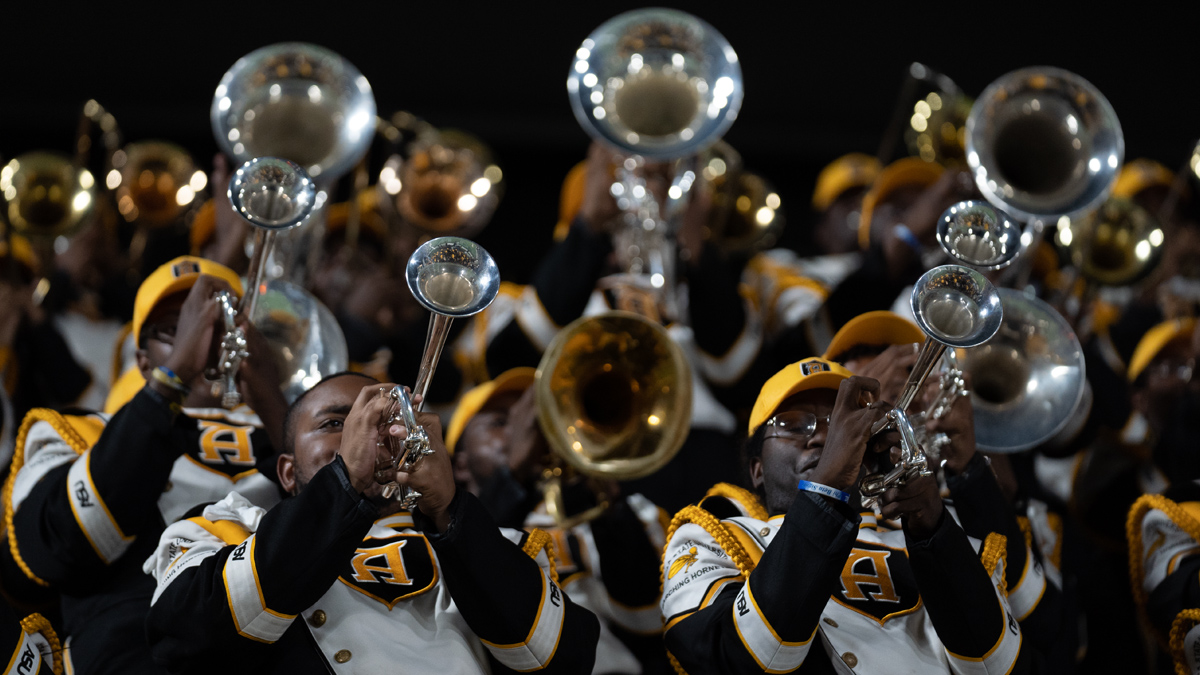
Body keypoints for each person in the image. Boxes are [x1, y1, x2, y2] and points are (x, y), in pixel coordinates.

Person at [144, 371, 600, 673]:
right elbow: (184, 635)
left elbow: (563, 659)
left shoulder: (496, 543)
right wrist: (345, 483)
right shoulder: (222, 529)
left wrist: (448, 509)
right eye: (333, 424)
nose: (366, 436)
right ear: (287, 472)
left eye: (385, 422)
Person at [1, 256, 287, 674]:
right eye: (177, 330)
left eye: (223, 328)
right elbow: (57, 549)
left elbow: (346, 515)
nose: (206, 341)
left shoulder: (293, 435)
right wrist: (172, 382)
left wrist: (272, 398)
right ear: (143, 360)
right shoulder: (79, 431)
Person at [660, 357, 1025, 673]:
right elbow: (724, 658)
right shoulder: (714, 536)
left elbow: (999, 666)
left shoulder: (937, 531)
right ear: (757, 470)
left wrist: (935, 535)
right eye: (791, 424)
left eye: (838, 424)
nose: (821, 437)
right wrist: (826, 491)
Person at [447, 367, 670, 674]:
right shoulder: (436, 532)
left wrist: (608, 507)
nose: (527, 428)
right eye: (501, 422)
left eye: (530, 419)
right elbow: (468, 559)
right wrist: (513, 472)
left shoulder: (615, 510)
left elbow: (649, 617)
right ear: (460, 464)